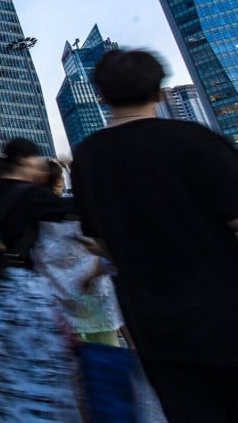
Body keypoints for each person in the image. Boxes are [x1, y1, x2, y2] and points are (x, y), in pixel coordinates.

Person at [71, 49, 238, 422]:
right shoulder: (197, 140)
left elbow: (100, 241)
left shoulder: (88, 159)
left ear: (100, 95)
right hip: (226, 311)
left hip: (154, 323)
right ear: (160, 93)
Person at [0, 138, 81, 423]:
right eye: (37, 159)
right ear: (24, 162)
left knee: (0, 374)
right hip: (24, 296)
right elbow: (76, 209)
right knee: (37, 374)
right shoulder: (30, 195)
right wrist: (71, 169)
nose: (41, 165)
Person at [30, 159, 123, 346]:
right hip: (95, 294)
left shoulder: (33, 219)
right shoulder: (83, 211)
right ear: (59, 181)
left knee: (73, 358)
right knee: (107, 353)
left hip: (57, 301)